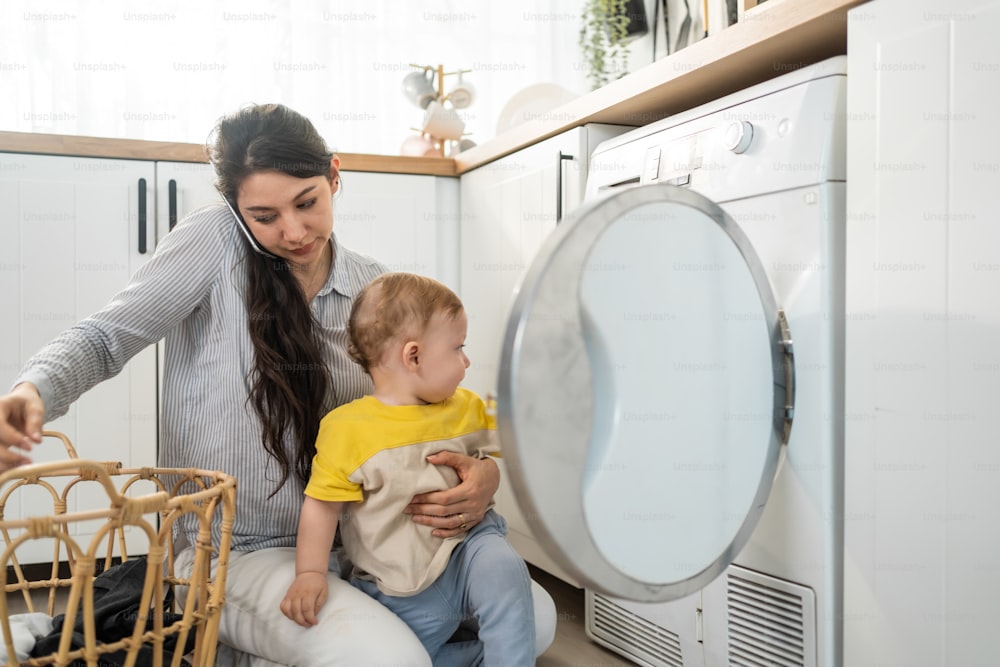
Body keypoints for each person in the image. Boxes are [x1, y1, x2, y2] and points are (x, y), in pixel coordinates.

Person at [0, 103, 555, 666]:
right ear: (237, 210)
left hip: (366, 546)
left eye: (307, 203)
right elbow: (107, 336)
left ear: (335, 176)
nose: (292, 232)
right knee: (394, 658)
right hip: (235, 554)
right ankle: (246, 646)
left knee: (535, 622)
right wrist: (32, 392)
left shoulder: (373, 288)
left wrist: (485, 474)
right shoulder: (214, 243)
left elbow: (425, 410)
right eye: (264, 216)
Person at [281, 272, 535, 665]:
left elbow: (520, 436)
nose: (467, 361)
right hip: (401, 587)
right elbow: (321, 506)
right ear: (413, 356)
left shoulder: (466, 407)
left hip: (469, 553)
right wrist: (310, 573)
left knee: (502, 565)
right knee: (404, 657)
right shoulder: (348, 428)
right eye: (458, 348)